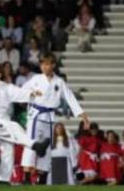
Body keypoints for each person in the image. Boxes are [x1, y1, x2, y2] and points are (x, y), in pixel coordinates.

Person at [20, 53, 86, 182]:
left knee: (48, 146)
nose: (44, 67)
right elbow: (22, 90)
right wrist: (31, 93)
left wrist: (82, 114)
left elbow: (69, 97)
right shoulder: (36, 79)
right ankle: (27, 175)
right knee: (31, 142)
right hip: (36, 115)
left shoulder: (59, 82)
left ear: (53, 65)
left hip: (50, 116)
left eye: (47, 64)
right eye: (42, 64)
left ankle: (42, 175)